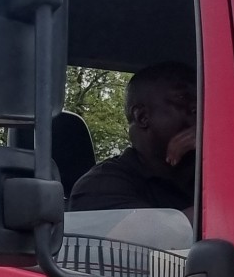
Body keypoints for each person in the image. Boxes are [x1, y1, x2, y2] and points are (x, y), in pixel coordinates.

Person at [68, 62, 197, 213]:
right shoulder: (99, 185)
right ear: (142, 117)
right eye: (182, 99)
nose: (198, 107)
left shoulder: (207, 172)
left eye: (202, 100)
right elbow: (164, 232)